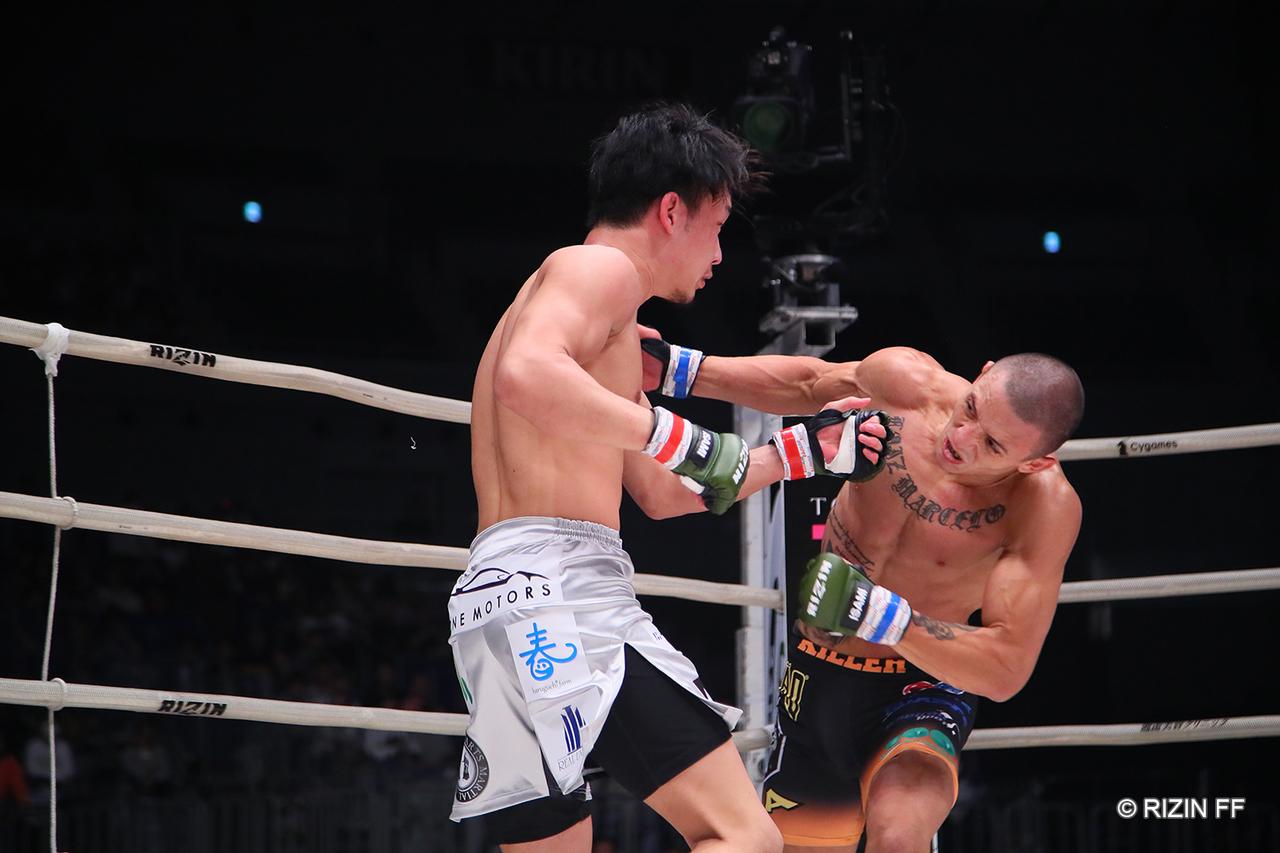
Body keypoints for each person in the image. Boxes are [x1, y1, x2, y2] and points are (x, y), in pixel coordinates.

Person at [448, 103, 888, 853]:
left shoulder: (576, 313)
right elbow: (526, 376)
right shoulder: (599, 269)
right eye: (716, 228)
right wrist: (677, 434)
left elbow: (659, 492)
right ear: (672, 211)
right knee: (744, 835)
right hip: (566, 593)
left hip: (494, 605)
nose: (718, 255)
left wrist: (797, 454)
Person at [640, 340, 1084, 852]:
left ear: (1034, 463)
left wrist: (877, 614)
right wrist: (676, 370)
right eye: (971, 408)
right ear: (981, 373)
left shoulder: (1042, 507)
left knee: (899, 837)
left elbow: (1007, 668)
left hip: (921, 689)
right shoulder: (907, 384)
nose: (961, 437)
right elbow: (807, 383)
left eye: (993, 444)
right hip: (817, 671)